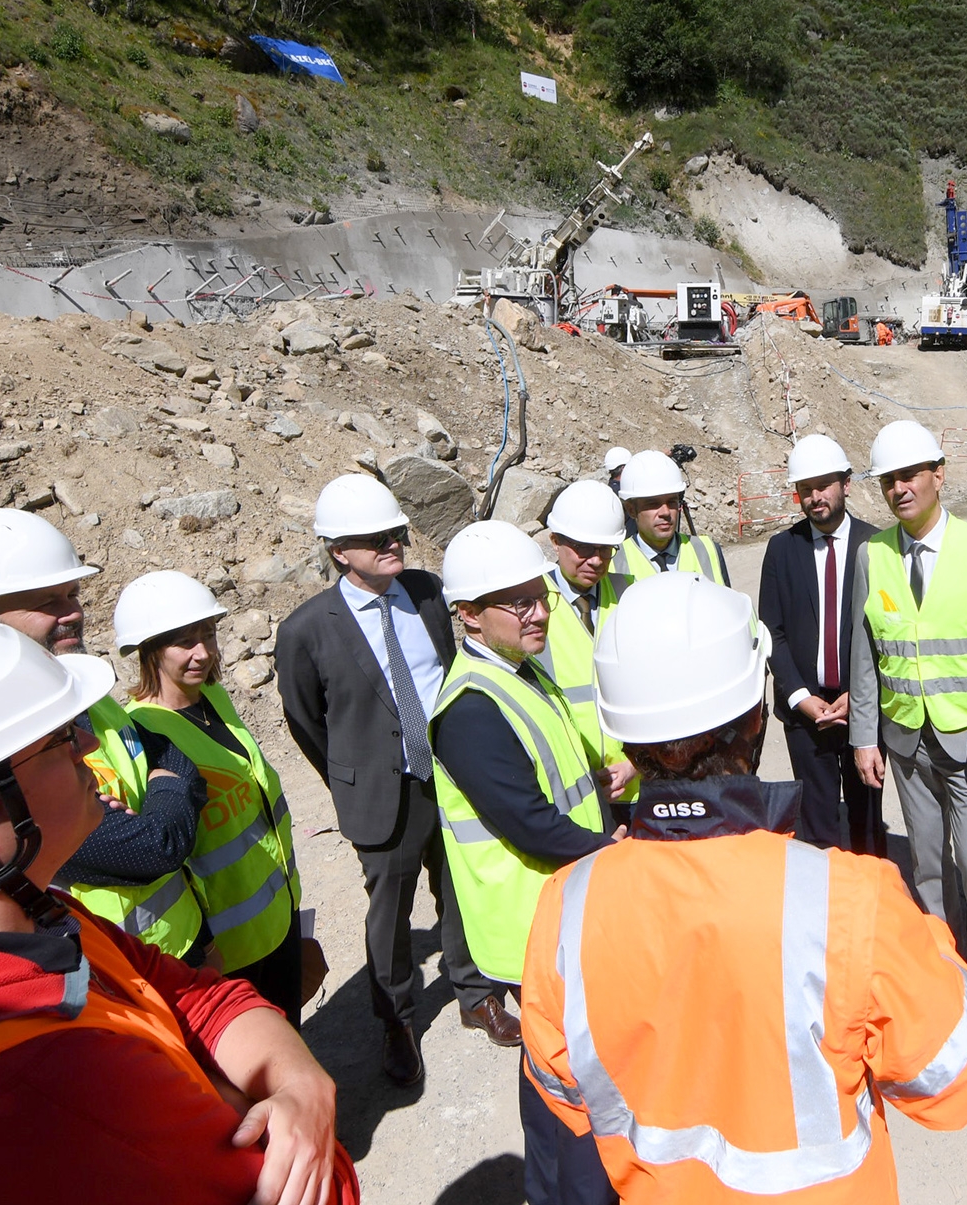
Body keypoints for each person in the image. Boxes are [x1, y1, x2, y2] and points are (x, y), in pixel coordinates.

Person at [0, 610, 358, 1205]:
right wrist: (245, 1091)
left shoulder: (30, 917)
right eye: (57, 738)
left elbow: (194, 994)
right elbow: (314, 1186)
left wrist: (297, 1078)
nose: (86, 741)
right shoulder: (35, 1084)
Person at [520, 574, 967, 1202]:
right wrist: (923, 937)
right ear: (756, 717)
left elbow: (563, 1091)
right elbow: (962, 1077)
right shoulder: (850, 898)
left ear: (625, 735)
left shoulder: (569, 901)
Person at [277, 476, 514, 1085]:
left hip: (451, 774)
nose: (391, 542)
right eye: (373, 537)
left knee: (460, 885)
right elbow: (307, 722)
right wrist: (353, 775)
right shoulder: (308, 629)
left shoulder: (428, 593)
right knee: (392, 910)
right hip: (383, 792)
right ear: (338, 550)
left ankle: (475, 993)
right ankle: (396, 1020)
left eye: (396, 532)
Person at [0, 509, 207, 963]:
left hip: (177, 950)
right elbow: (152, 850)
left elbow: (172, 755)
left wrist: (164, 784)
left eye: (72, 593)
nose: (73, 612)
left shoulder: (82, 691)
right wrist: (168, 793)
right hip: (103, 972)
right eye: (45, 601)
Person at [431, 521, 616, 1205]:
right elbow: (530, 823)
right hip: (532, 924)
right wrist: (615, 851)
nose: (539, 610)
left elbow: (556, 774)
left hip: (566, 906)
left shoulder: (521, 670)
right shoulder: (472, 709)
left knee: (564, 1072)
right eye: (517, 601)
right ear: (469, 616)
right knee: (563, 1086)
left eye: (538, 594)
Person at [850, 419, 967, 1002]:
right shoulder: (871, 554)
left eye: (910, 476)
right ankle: (942, 980)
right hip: (904, 741)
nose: (900, 488)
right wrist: (863, 736)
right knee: (926, 864)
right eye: (889, 480)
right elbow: (865, 653)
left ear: (938, 476)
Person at [117, 571, 311, 1025]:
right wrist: (204, 947)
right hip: (227, 947)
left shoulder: (215, 699)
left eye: (208, 634)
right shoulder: (144, 733)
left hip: (278, 916)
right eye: (184, 642)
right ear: (150, 651)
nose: (202, 652)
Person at [757, 434, 885, 854]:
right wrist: (799, 697)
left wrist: (861, 694)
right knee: (816, 822)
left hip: (862, 708)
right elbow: (771, 630)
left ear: (846, 484)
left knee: (867, 818)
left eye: (823, 485)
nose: (815, 497)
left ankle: (871, 903)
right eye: (805, 489)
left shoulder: (878, 546)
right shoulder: (781, 550)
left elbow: (890, 631)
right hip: (805, 713)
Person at [540, 480, 640, 813]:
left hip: (637, 783)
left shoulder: (633, 597)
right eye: (584, 548)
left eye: (605, 550)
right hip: (568, 793)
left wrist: (637, 761)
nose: (596, 561)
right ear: (555, 541)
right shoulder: (529, 608)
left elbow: (657, 692)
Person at [608, 449, 729, 595]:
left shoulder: (707, 550)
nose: (665, 512)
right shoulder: (613, 562)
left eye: (672, 501)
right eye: (653, 504)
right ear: (631, 510)